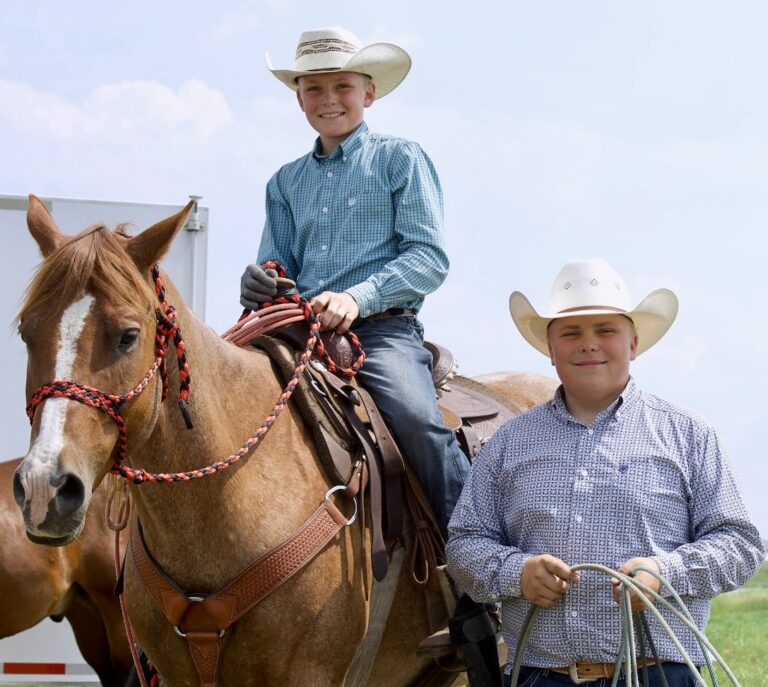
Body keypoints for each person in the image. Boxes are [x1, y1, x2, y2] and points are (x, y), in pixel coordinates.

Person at [446, 258, 765, 686]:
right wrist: (516, 573)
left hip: (658, 674)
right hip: (540, 675)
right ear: (551, 348)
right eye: (571, 332)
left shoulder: (688, 434)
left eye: (606, 331)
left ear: (632, 343)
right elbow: (465, 544)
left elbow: (741, 545)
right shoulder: (508, 444)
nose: (588, 344)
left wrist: (664, 574)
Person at [240, 26, 469, 540]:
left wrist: (356, 297)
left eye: (342, 86)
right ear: (299, 99)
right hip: (298, 329)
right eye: (314, 89)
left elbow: (429, 257)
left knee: (418, 423)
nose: (329, 100)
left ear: (369, 93)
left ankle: (475, 559)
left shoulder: (399, 159)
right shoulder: (284, 181)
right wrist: (261, 281)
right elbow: (277, 265)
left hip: (382, 332)